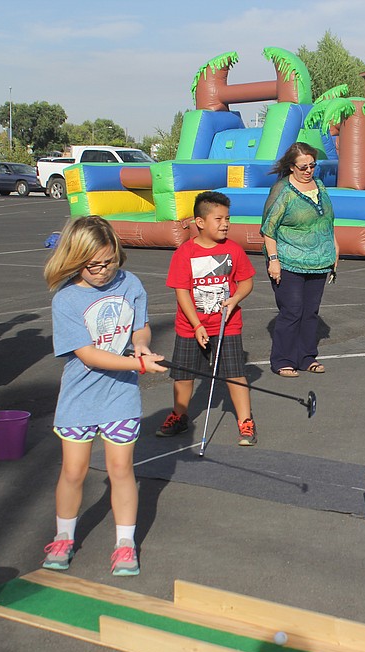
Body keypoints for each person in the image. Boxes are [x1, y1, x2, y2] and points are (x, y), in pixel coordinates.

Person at [41, 215, 167, 577]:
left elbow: (140, 326)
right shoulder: (66, 299)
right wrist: (139, 366)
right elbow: (88, 355)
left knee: (121, 469)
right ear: (75, 260)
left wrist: (141, 347)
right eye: (93, 265)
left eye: (109, 261)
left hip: (121, 396)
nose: (102, 271)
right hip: (79, 399)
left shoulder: (131, 284)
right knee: (74, 471)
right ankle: (64, 538)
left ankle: (125, 545)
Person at [159, 191, 257, 445]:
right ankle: (179, 416)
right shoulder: (185, 253)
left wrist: (235, 300)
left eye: (227, 218)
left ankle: (245, 422)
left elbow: (246, 282)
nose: (225, 224)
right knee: (184, 374)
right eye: (218, 219)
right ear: (200, 222)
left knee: (235, 372)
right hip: (190, 326)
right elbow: (182, 291)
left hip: (227, 324)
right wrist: (197, 325)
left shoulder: (233, 250)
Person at [262, 142, 337, 377]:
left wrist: (334, 249)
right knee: (292, 310)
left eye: (312, 165)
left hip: (319, 261)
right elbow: (268, 229)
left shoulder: (321, 186)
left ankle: (306, 357)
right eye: (303, 166)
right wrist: (273, 260)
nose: (308, 170)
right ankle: (283, 359)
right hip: (288, 260)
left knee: (310, 311)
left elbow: (327, 222)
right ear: (291, 166)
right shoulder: (282, 191)